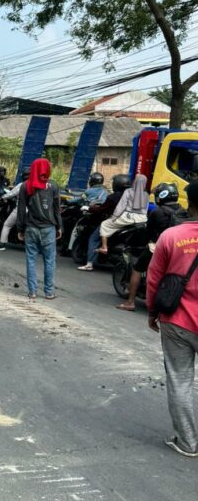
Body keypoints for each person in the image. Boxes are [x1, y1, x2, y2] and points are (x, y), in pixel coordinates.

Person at [146, 179, 198, 457]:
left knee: (180, 380)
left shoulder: (171, 236)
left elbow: (154, 280)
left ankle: (188, 442)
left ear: (190, 203)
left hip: (177, 321)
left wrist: (152, 312)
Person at [117, 182, 183, 311]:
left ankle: (130, 302)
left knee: (137, 269)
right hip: (179, 249)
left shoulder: (157, 212)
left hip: (158, 247)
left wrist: (142, 242)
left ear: (161, 196)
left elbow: (148, 233)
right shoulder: (183, 211)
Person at [16, 157, 62, 299]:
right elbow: (57, 209)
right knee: (49, 261)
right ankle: (49, 292)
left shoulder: (25, 186)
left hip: (31, 228)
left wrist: (20, 229)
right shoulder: (53, 186)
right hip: (49, 228)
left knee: (31, 260)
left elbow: (21, 209)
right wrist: (59, 226)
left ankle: (32, 292)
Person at [77, 173, 132, 271]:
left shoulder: (113, 197)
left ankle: (89, 264)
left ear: (116, 184)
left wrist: (88, 208)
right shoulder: (133, 196)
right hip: (130, 223)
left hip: (115, 222)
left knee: (94, 239)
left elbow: (102, 209)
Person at [97, 173, 148, 255]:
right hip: (142, 219)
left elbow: (121, 206)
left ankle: (104, 247)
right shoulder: (146, 194)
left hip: (127, 218)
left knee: (105, 224)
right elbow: (145, 209)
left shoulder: (129, 191)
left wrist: (113, 217)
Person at [0, 166, 30, 250]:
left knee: (7, 225)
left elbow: (11, 194)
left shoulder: (22, 185)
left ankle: (2, 245)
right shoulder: (38, 185)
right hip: (34, 210)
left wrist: (2, 197)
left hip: (21, 209)